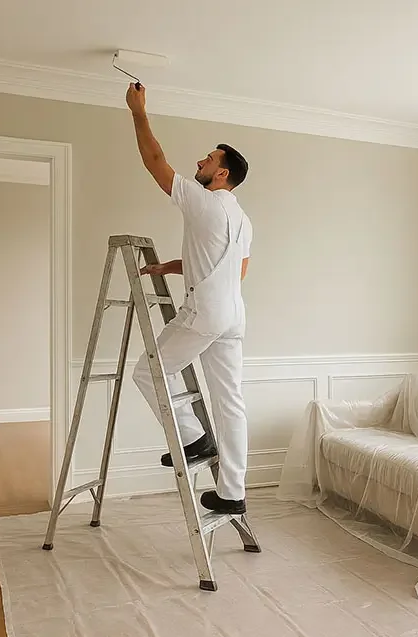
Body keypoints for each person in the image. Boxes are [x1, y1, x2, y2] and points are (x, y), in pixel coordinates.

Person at [124, 82, 253, 516]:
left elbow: (154, 162)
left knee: (148, 370)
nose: (200, 162)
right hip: (233, 315)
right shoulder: (241, 218)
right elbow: (233, 268)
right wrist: (172, 267)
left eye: (208, 159)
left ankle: (192, 437)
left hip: (206, 313)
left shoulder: (202, 202)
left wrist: (139, 112)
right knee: (230, 402)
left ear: (221, 175)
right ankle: (233, 492)